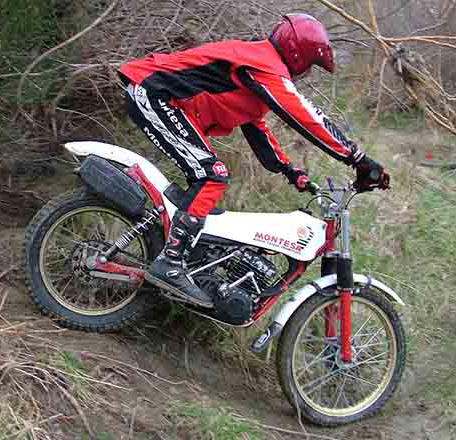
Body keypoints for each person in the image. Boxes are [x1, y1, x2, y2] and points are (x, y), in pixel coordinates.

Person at [118, 13, 390, 308]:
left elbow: (256, 127)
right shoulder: (265, 63)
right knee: (212, 175)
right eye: (310, 66)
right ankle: (170, 263)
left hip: (163, 97)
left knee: (205, 178)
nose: (306, 74)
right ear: (298, 54)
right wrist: (358, 159)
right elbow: (307, 117)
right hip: (155, 93)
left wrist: (289, 170)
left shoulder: (258, 65)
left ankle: (180, 255)